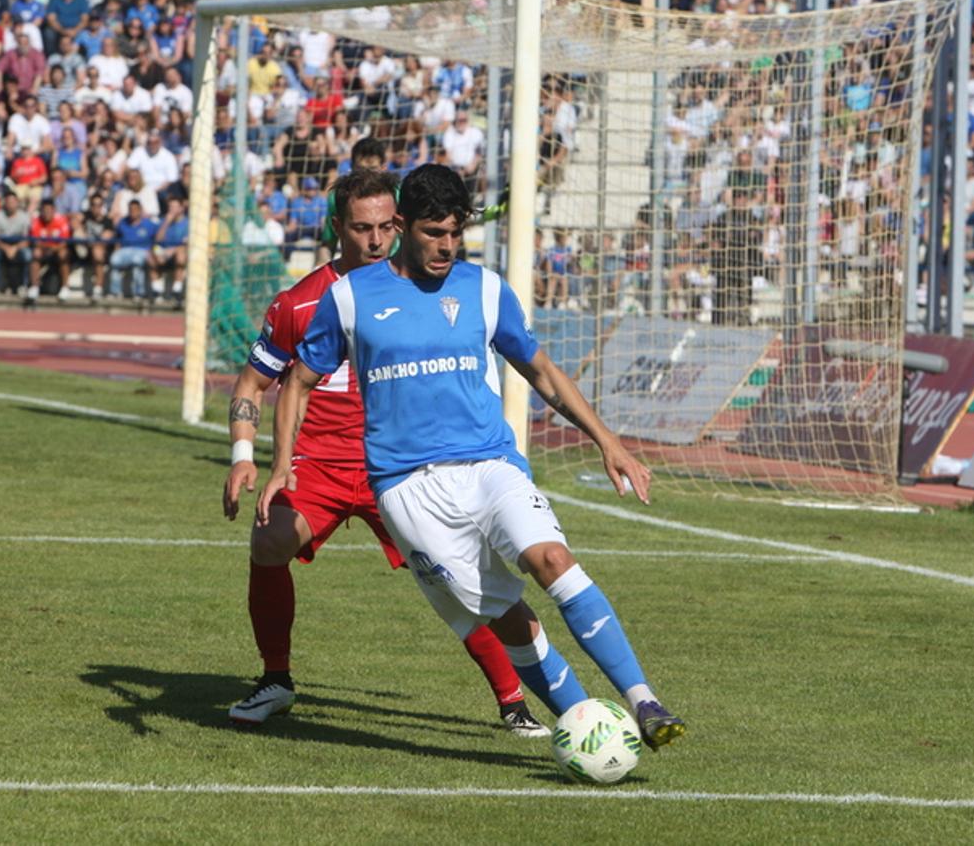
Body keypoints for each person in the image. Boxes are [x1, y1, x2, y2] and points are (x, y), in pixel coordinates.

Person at [259, 165, 686, 749]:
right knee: (507, 616)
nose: (447, 246)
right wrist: (282, 463)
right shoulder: (350, 298)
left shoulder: (484, 289)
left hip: (490, 465)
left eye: (456, 234)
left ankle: (646, 702)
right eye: (435, 233)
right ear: (405, 227)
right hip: (408, 489)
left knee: (552, 559)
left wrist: (606, 439)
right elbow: (299, 382)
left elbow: (540, 370)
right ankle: (588, 725)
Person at [225, 169, 547, 737]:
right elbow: (254, 385)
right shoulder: (301, 303)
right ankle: (275, 678)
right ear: (336, 229)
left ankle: (513, 699)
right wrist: (245, 457)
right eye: (361, 228)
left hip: (397, 464)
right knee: (269, 539)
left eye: (384, 228)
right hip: (319, 465)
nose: (375, 240)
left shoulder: (428, 288)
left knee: (457, 576)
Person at [28, 198, 73, 302]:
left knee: (64, 254)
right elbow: (35, 241)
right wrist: (46, 248)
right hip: (43, 250)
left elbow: (64, 242)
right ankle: (34, 286)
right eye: (44, 210)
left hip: (57, 250)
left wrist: (53, 248)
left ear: (54, 210)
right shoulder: (36, 221)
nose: (47, 213)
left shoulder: (61, 221)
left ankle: (65, 287)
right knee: (36, 253)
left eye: (49, 210)